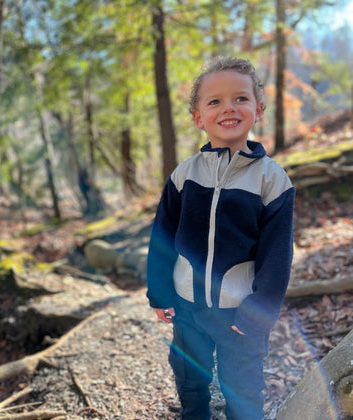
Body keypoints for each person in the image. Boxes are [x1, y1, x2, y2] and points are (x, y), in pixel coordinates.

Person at [146, 56, 295, 420]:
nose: (228, 107)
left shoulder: (271, 180)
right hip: (187, 306)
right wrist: (159, 292)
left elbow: (277, 258)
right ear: (198, 118)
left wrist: (257, 313)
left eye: (240, 99)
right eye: (214, 101)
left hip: (238, 311)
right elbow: (162, 237)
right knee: (190, 380)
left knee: (242, 389)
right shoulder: (184, 176)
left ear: (258, 109)